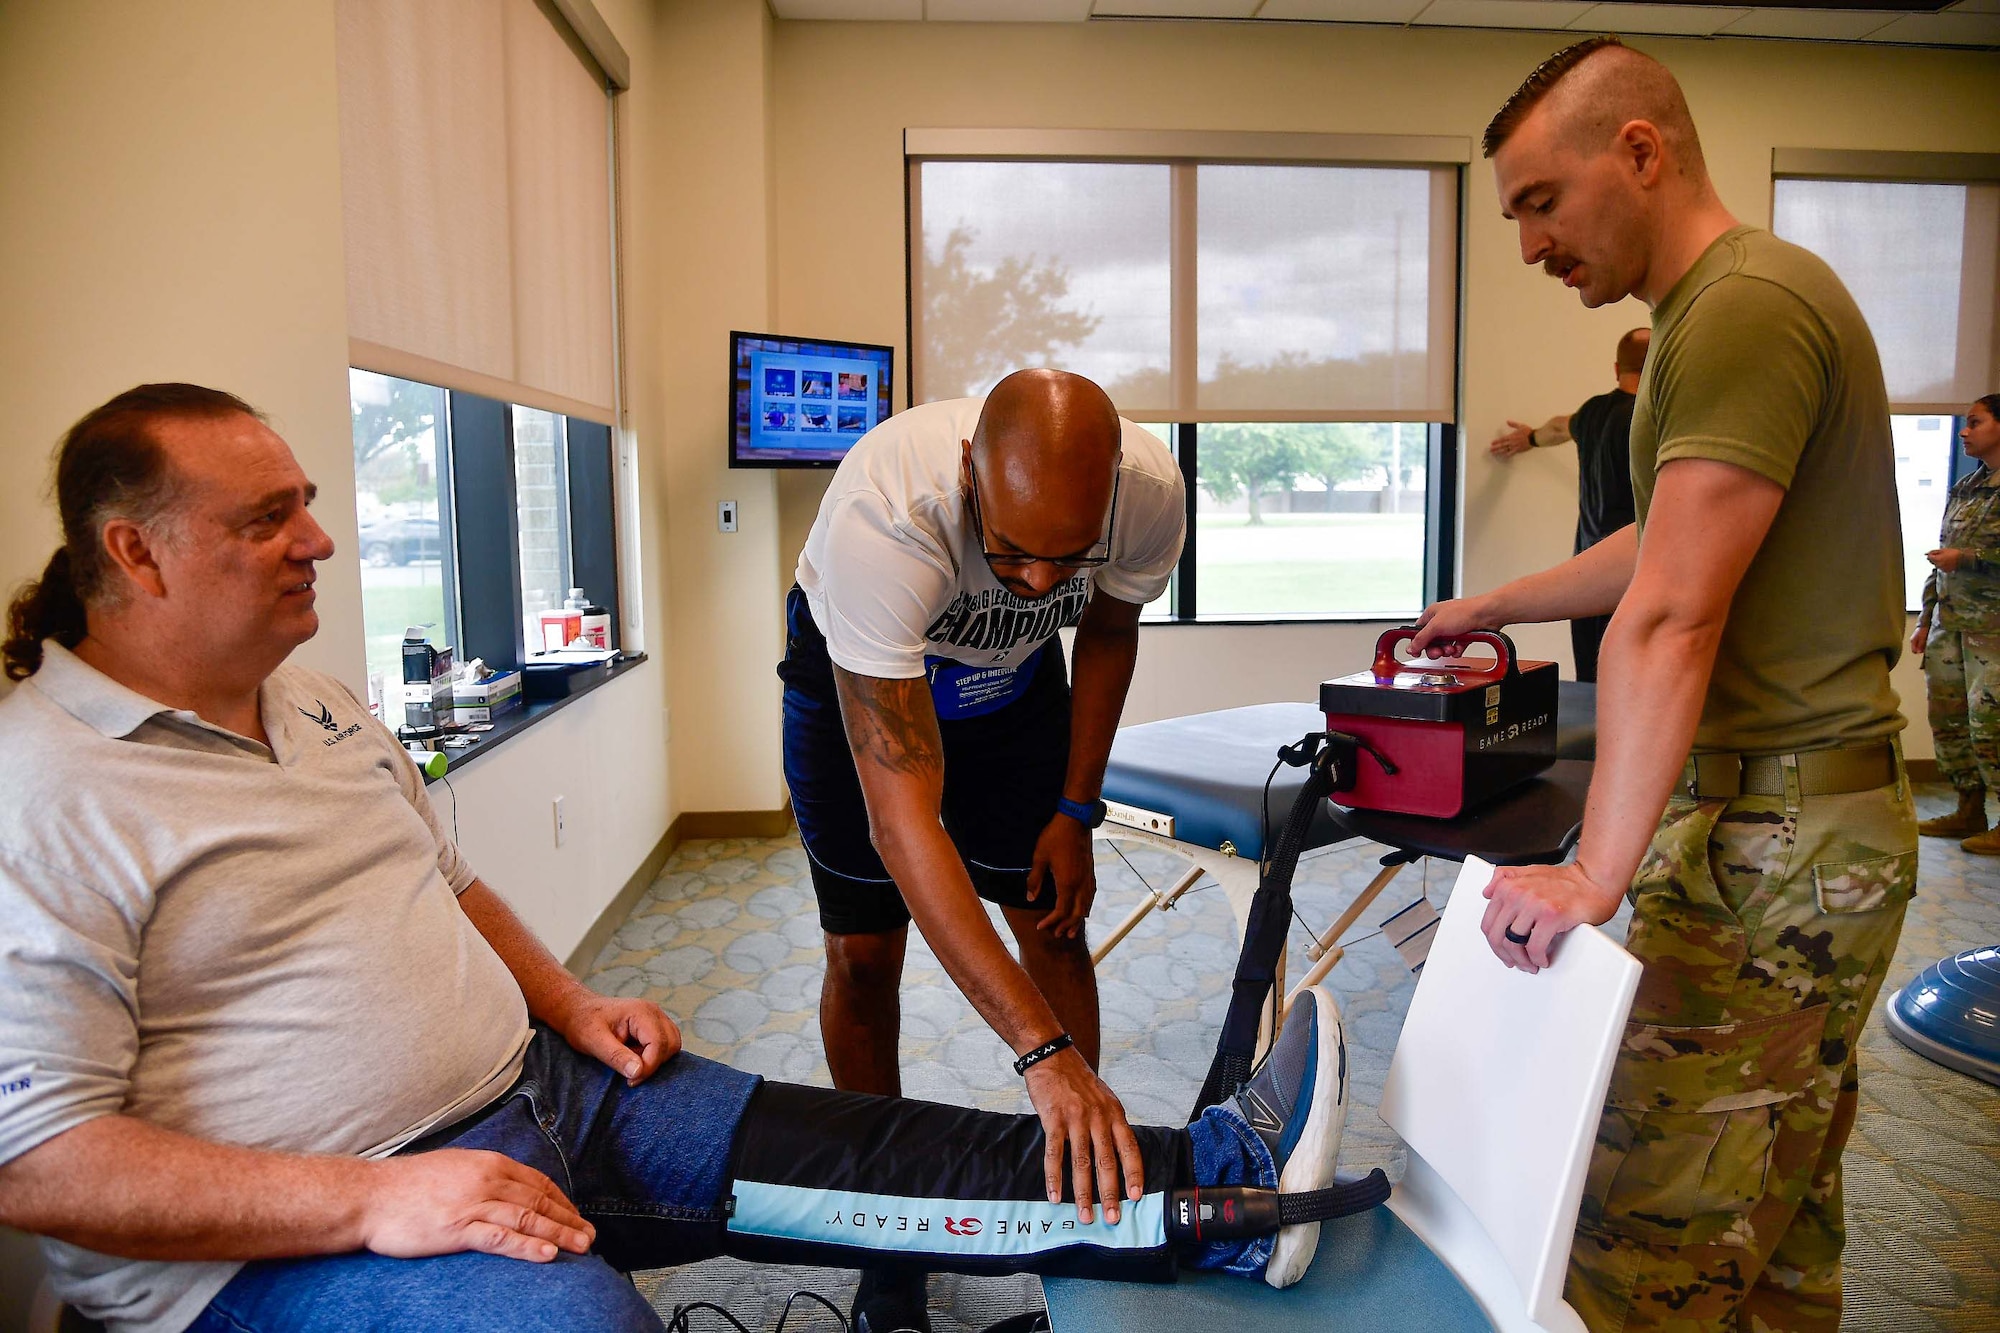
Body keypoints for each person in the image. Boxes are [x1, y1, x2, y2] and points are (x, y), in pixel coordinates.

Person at [0, 384, 1351, 1333]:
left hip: (550, 1093)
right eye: (268, 519)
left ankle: (1223, 1185)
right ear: (137, 551)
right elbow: (36, 1165)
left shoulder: (317, 699)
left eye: (308, 502)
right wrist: (372, 1197)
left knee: (875, 1155)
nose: (322, 538)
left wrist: (572, 1004)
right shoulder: (41, 788)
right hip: (321, 1223)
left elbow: (454, 890)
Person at [1414, 38, 1913, 1333]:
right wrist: (1494, 605)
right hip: (1798, 823)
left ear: (1640, 151)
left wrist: (1595, 874)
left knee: (1651, 1235)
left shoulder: (1745, 306)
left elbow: (1671, 615)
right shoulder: (1716, 313)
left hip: (1781, 836)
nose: (1528, 246)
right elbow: (1663, 544)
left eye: (1540, 202)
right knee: (1779, 1204)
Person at [781, 370, 1184, 1328]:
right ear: (969, 471)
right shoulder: (885, 514)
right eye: (1014, 553)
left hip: (1011, 687)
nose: (1044, 582)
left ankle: (1084, 1189)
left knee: (1052, 917)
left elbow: (1110, 632)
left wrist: (1076, 810)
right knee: (867, 951)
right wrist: (1038, 1050)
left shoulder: (1153, 492)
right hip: (862, 670)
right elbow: (904, 821)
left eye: (1066, 558)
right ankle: (889, 1235)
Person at [1488, 327, 1649, 681]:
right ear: (1659, 364)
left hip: (1584, 579)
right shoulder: (1649, 416)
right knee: (1628, 686)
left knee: (1592, 685)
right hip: (1628, 577)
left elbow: (1560, 427)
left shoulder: (1592, 411)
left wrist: (1530, 437)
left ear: (1615, 368)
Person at [1909, 393, 2000, 848]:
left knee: (1992, 721)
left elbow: (1958, 556)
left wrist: (1970, 558)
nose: (1965, 431)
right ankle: (1968, 811)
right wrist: (1925, 618)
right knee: (1949, 719)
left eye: (1975, 422)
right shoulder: (1966, 487)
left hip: (1994, 630)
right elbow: (1939, 556)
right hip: (1951, 624)